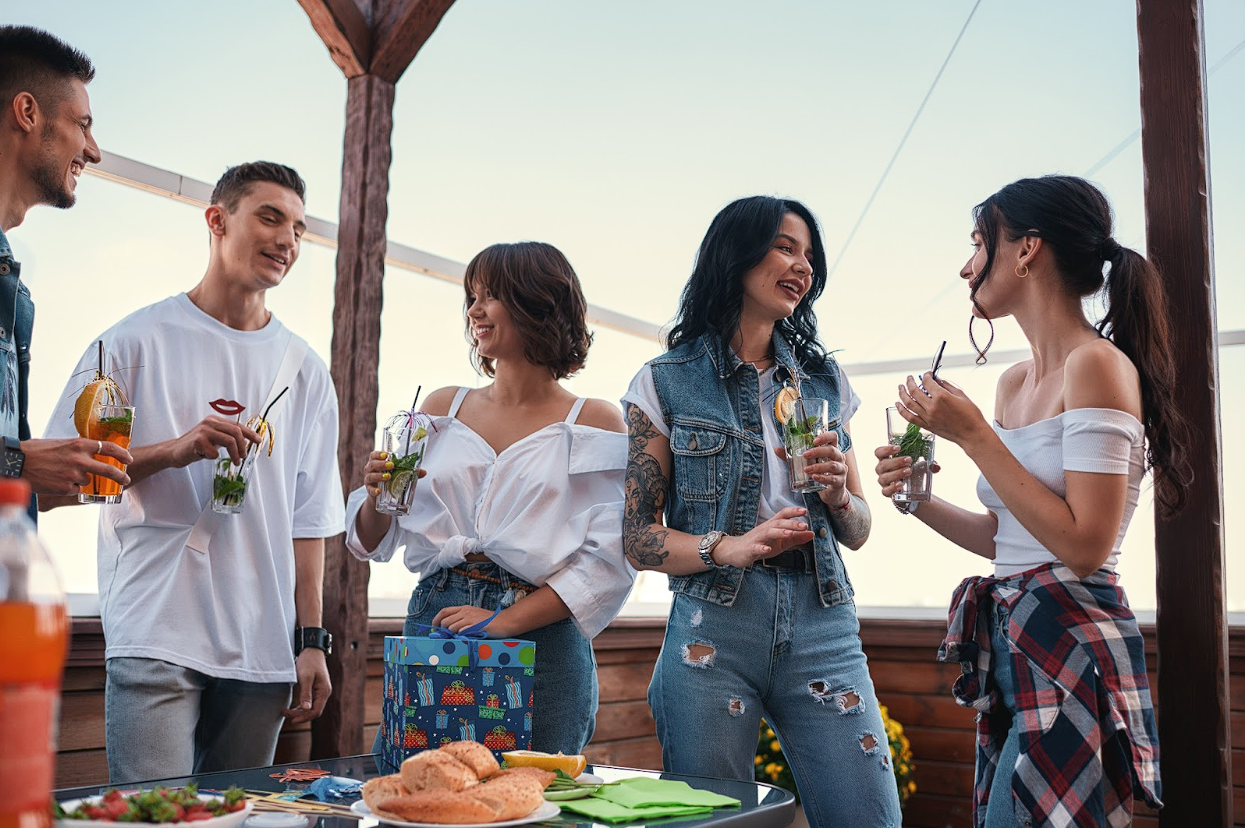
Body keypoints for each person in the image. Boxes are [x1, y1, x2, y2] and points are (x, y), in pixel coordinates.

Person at [873, 175, 1187, 827]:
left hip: (1072, 644)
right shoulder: (1014, 382)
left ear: (1025, 250)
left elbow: (1083, 545)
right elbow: (1005, 538)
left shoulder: (1095, 364)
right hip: (1015, 643)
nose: (964, 267)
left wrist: (972, 437)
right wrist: (914, 497)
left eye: (976, 243)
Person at [43, 162, 345, 783]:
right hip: (155, 628)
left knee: (238, 822)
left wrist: (311, 639)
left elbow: (309, 520)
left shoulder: (306, 371)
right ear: (216, 220)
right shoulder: (130, 345)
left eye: (298, 227)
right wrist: (172, 451)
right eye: (269, 216)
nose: (287, 238)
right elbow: (50, 486)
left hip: (262, 645)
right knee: (153, 820)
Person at [622, 196, 903, 827]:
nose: (801, 266)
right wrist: (729, 546)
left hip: (823, 619)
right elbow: (637, 538)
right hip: (713, 625)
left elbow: (858, 530)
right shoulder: (664, 381)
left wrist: (837, 496)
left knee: (870, 816)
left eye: (808, 255)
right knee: (715, 822)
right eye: (784, 247)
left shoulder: (825, 382)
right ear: (737, 255)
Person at [345, 241, 634, 755]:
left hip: (541, 631)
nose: (474, 310)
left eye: (490, 296)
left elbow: (608, 561)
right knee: (417, 790)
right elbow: (371, 539)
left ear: (538, 304)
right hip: (440, 611)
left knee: (534, 796)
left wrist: (502, 622)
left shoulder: (595, 421)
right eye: (471, 297)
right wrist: (373, 497)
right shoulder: (440, 407)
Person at [0, 26, 130, 509]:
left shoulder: (12, 287)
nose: (92, 150)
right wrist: (20, 463)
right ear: (28, 112)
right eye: (83, 124)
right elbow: (18, 462)